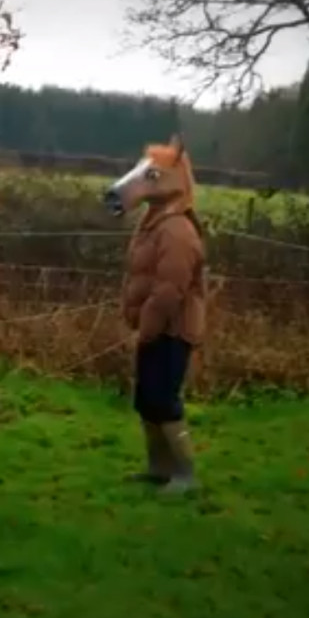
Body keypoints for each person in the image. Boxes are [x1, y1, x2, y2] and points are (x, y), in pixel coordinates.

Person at [100, 133, 206, 494]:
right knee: (146, 400)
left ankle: (185, 474)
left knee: (164, 399)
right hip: (153, 328)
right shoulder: (154, 222)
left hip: (172, 330)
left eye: (153, 176)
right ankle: (158, 468)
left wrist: (146, 326)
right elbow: (143, 277)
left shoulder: (177, 230)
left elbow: (169, 290)